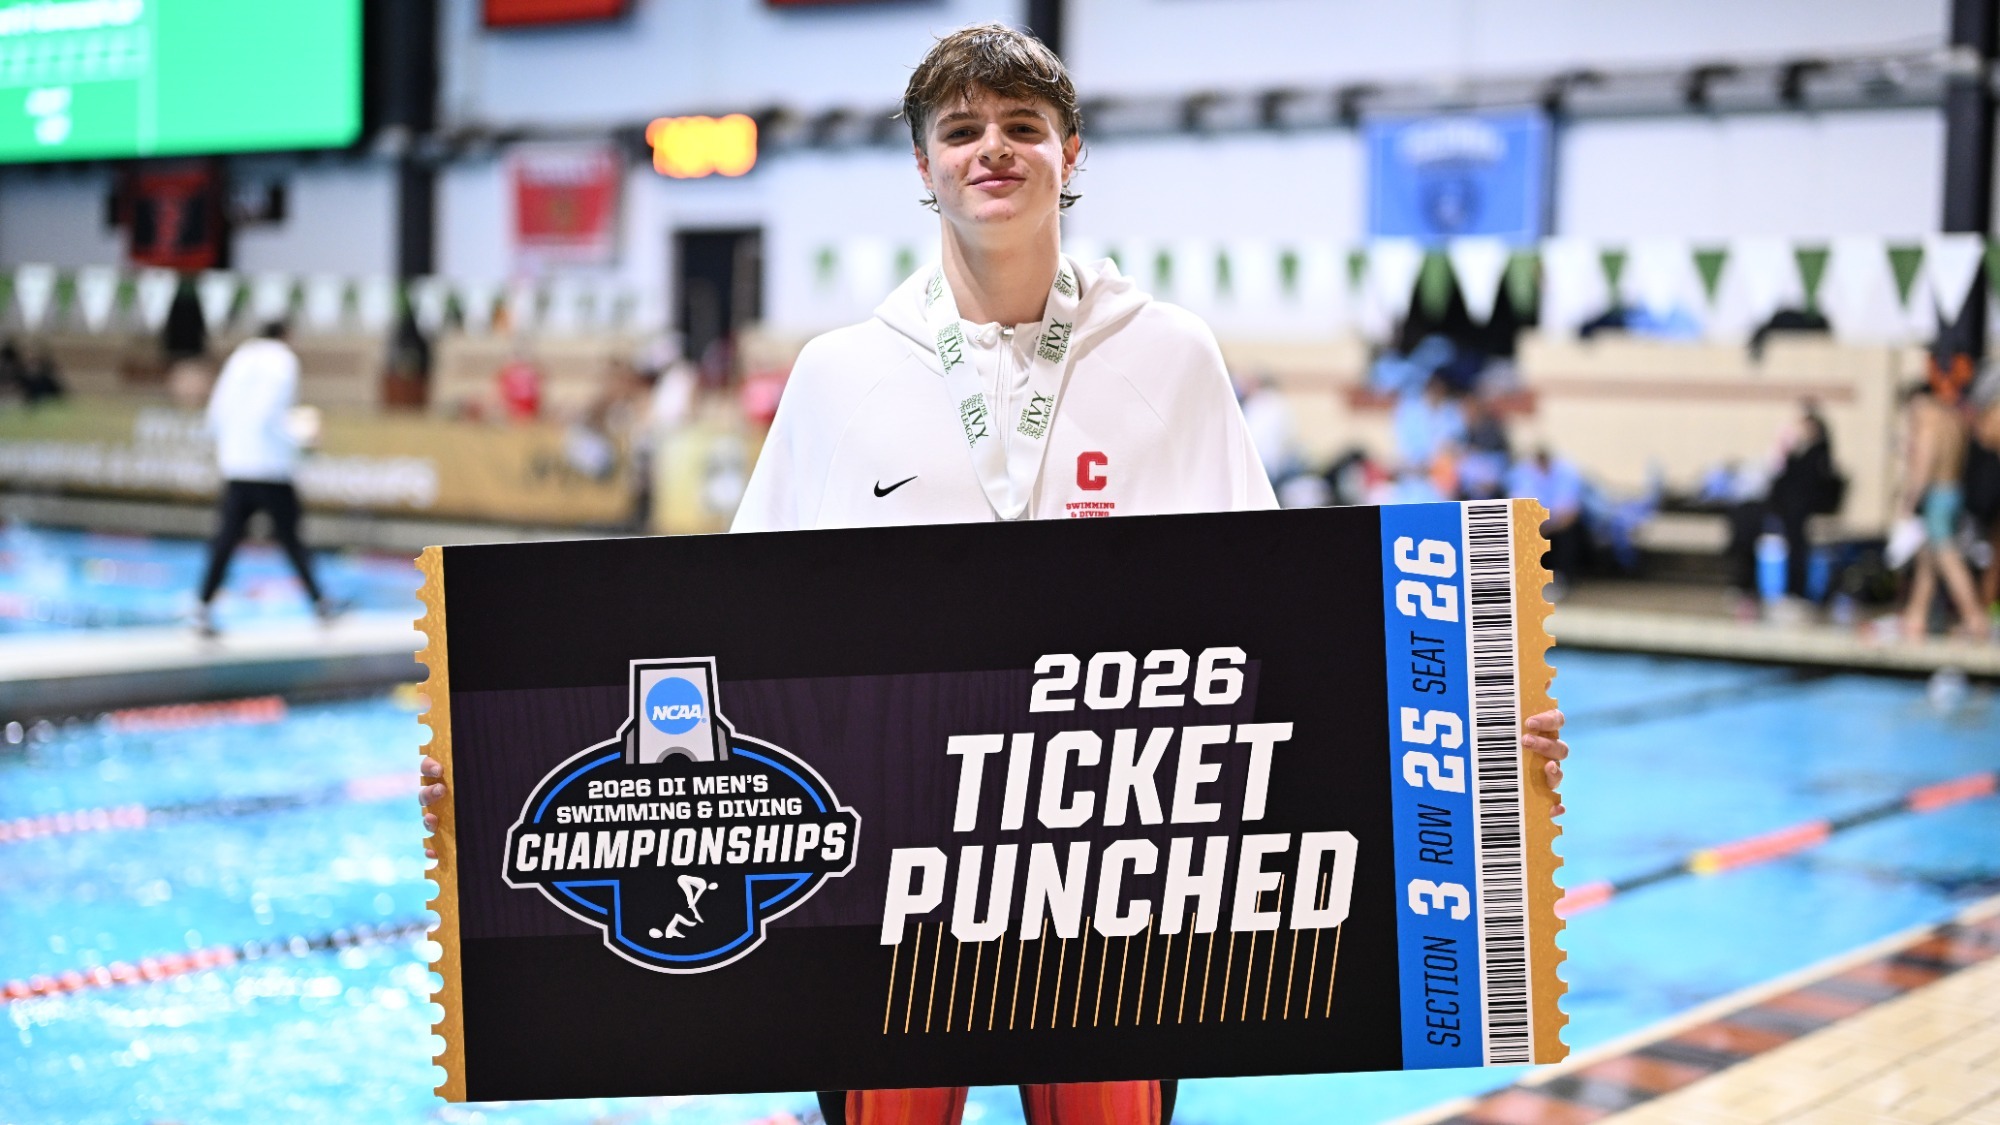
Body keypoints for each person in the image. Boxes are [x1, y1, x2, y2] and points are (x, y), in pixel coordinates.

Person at [420, 23, 1569, 1125]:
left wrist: (1468, 742)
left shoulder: (1167, 356)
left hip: (1110, 873)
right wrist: (499, 772)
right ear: (921, 165)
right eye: (961, 130)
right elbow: (732, 648)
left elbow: (1282, 637)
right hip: (884, 879)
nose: (992, 150)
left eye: (1023, 126)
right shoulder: (840, 375)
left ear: (1071, 157)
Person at [195, 320, 333, 637]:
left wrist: (226, 451)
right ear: (287, 335)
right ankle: (320, 603)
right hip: (271, 467)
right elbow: (269, 414)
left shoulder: (240, 357)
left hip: (237, 466)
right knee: (292, 538)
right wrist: (299, 441)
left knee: (226, 540)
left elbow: (216, 412)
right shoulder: (282, 360)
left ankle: (202, 606)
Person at [1897, 377, 1985, 640]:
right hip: (1953, 490)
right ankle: (1916, 615)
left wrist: (1911, 497)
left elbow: (1926, 459)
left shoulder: (1927, 420)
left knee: (1946, 556)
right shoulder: (1951, 417)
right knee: (1929, 557)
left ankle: (1974, 616)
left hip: (1936, 493)